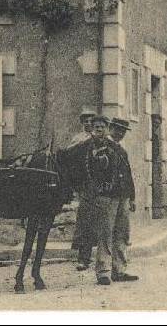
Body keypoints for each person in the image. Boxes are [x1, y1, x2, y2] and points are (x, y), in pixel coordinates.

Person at [86, 116, 138, 285]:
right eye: (117, 129)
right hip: (107, 197)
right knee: (105, 234)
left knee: (122, 234)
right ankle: (103, 272)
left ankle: (119, 270)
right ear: (110, 129)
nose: (120, 133)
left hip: (123, 196)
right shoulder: (101, 146)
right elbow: (94, 171)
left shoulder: (122, 150)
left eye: (123, 131)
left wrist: (132, 197)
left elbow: (128, 175)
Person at [70, 109, 98, 270]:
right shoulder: (77, 139)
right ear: (82, 123)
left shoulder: (99, 139)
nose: (88, 123)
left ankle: (105, 258)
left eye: (91, 121)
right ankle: (83, 258)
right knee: (85, 220)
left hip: (99, 184)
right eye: (86, 121)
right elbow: (70, 158)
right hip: (85, 184)